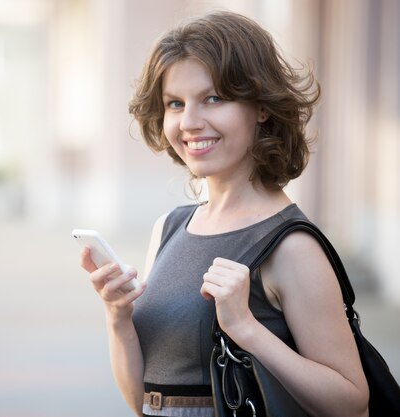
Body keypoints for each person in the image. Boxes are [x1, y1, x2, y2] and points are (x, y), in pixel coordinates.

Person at [79, 10, 369, 417]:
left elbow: (352, 403)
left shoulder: (291, 245)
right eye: (175, 104)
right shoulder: (170, 227)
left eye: (213, 98)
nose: (190, 123)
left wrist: (248, 329)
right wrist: (118, 317)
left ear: (262, 107)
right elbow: (144, 402)